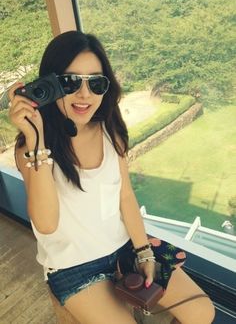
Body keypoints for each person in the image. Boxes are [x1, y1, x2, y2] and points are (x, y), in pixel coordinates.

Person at [8, 31, 215, 324]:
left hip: (125, 248)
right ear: (49, 83)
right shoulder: (31, 148)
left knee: (202, 312)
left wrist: (144, 253)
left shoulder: (110, 130)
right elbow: (46, 223)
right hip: (74, 267)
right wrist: (36, 138)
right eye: (69, 82)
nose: (84, 95)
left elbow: (125, 196)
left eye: (96, 83)